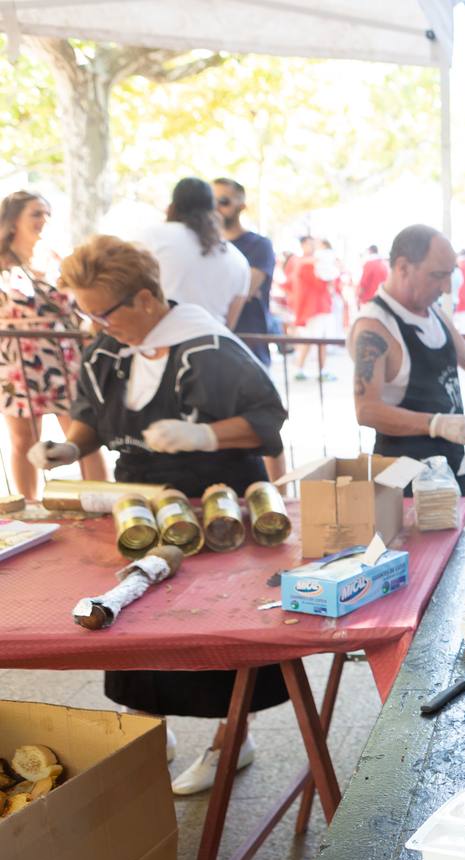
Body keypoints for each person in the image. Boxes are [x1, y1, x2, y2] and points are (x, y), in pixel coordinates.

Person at [30, 235, 290, 795]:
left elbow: (267, 418)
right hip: (144, 498)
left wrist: (202, 433)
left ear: (146, 298)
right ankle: (151, 730)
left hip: (218, 495)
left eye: (103, 312)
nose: (96, 324)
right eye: (87, 312)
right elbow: (91, 418)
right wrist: (68, 449)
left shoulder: (209, 347)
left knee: (219, 627)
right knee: (138, 617)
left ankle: (232, 737)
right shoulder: (107, 349)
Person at [350, 225, 465, 495]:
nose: (446, 287)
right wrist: (437, 424)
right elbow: (366, 410)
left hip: (451, 466)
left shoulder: (434, 314)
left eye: (450, 275)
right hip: (407, 479)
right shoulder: (374, 326)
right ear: (402, 267)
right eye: (437, 276)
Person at [0, 190, 106, 498]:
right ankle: (28, 504)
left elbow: (82, 304)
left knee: (82, 433)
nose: (43, 219)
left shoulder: (59, 259)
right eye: (35, 213)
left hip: (62, 358)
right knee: (23, 439)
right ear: (13, 221)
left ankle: (99, 500)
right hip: (16, 362)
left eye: (47, 213)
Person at [135, 177, 250, 328]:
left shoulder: (150, 237)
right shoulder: (238, 260)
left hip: (158, 342)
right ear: (212, 209)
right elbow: (229, 325)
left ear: (172, 205)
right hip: (213, 345)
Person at [212, 178, 277, 367]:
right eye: (211, 201)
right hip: (212, 348)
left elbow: (244, 290)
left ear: (241, 206)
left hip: (250, 349)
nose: (216, 207)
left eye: (223, 201)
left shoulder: (260, 245)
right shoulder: (203, 245)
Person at [289, 236, 333, 380]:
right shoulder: (308, 263)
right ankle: (322, 371)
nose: (313, 246)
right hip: (315, 307)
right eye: (310, 243)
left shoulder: (302, 262)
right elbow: (322, 284)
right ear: (303, 245)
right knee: (320, 339)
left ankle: (300, 368)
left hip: (311, 307)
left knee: (310, 339)